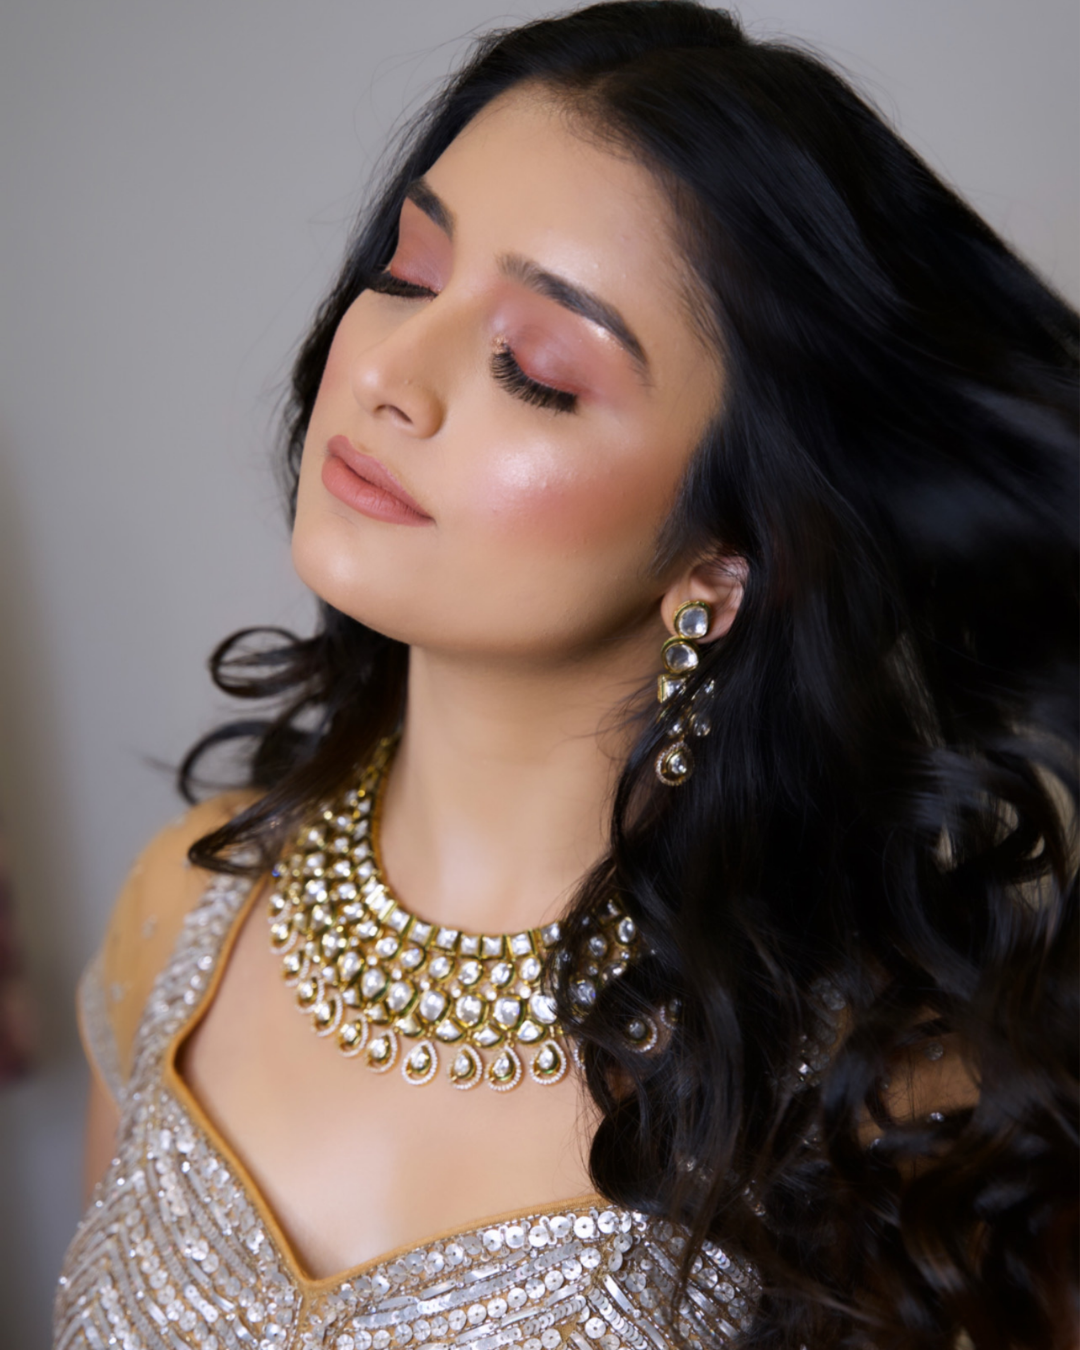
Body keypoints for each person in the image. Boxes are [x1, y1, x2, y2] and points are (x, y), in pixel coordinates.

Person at [55, 3, 1078, 1347]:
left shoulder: (897, 1108)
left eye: (534, 370)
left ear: (730, 554)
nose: (390, 375)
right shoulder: (180, 912)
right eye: (410, 274)